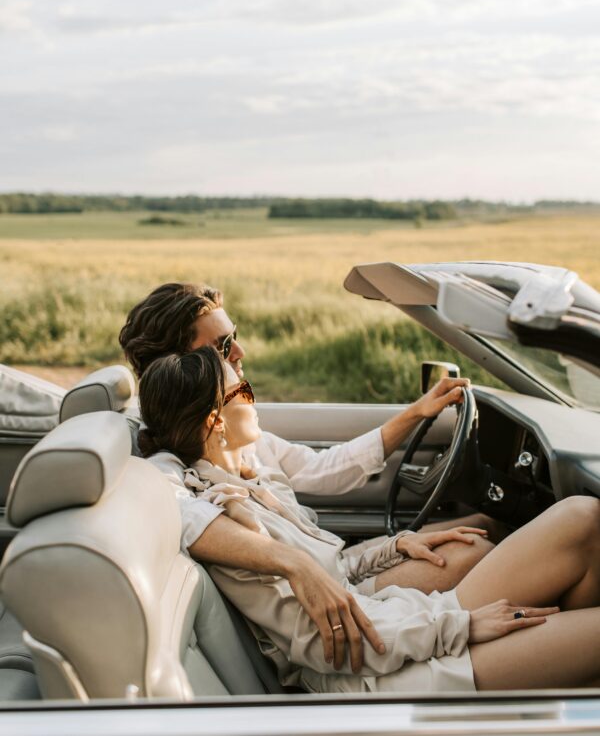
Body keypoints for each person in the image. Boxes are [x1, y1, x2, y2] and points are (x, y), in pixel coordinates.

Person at [139, 348, 600, 692]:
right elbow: (325, 646)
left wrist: (394, 546)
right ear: (216, 420)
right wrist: (463, 625)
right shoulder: (218, 515)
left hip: (394, 625)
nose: (252, 391)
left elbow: (331, 565)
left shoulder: (250, 481)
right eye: (243, 389)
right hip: (377, 675)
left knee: (584, 517)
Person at [119, 282, 495, 670]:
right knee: (482, 545)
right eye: (221, 344)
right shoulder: (169, 470)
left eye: (235, 337)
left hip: (344, 576)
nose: (239, 352)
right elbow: (184, 516)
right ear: (179, 364)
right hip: (335, 613)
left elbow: (322, 468)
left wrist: (416, 413)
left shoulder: (244, 440)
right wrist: (296, 565)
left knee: (481, 529)